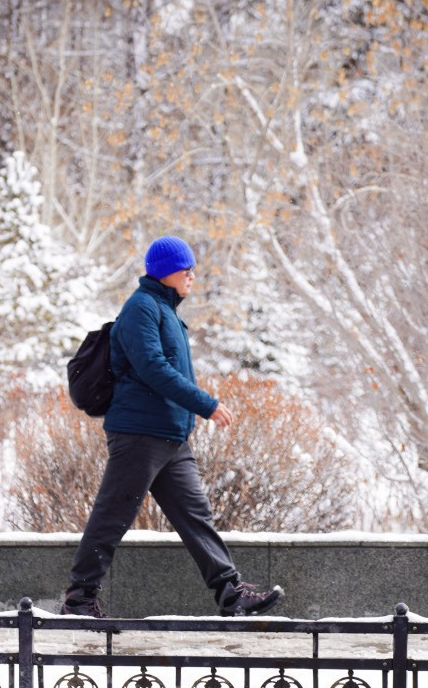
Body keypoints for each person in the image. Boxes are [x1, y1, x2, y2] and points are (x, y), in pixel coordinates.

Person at [61, 235, 284, 619]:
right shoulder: (141, 310)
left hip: (170, 436)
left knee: (197, 517)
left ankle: (231, 594)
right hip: (139, 433)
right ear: (168, 273)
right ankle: (79, 599)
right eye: (188, 270)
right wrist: (206, 405)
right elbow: (153, 370)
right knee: (112, 516)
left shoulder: (167, 313)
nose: (193, 276)